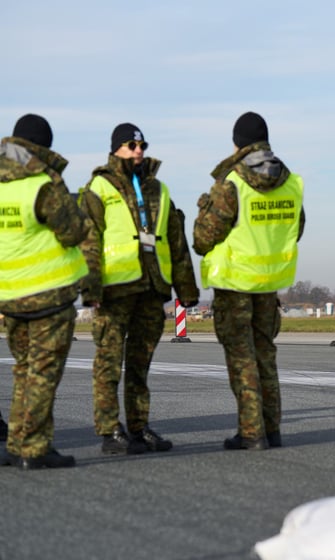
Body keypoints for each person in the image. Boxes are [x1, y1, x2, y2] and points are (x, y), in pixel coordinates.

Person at [79, 123, 199, 455]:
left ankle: (138, 426)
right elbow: (88, 242)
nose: (139, 150)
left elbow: (176, 243)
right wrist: (91, 290)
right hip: (115, 289)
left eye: (142, 144)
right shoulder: (98, 187)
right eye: (131, 145)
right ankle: (109, 430)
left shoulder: (160, 189)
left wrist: (185, 289)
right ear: (116, 148)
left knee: (140, 363)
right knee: (108, 360)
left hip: (152, 285)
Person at [194, 111, 304, 450]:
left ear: (237, 143)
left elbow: (203, 238)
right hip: (269, 284)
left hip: (235, 283)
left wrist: (203, 210)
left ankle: (251, 432)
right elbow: (296, 229)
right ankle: (272, 430)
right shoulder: (290, 182)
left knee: (242, 358)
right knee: (265, 355)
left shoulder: (233, 182)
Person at [0, 114, 89, 469]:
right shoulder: (42, 183)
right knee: (43, 373)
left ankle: (17, 443)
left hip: (10, 296)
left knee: (23, 371)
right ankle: (35, 449)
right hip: (48, 295)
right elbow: (73, 231)